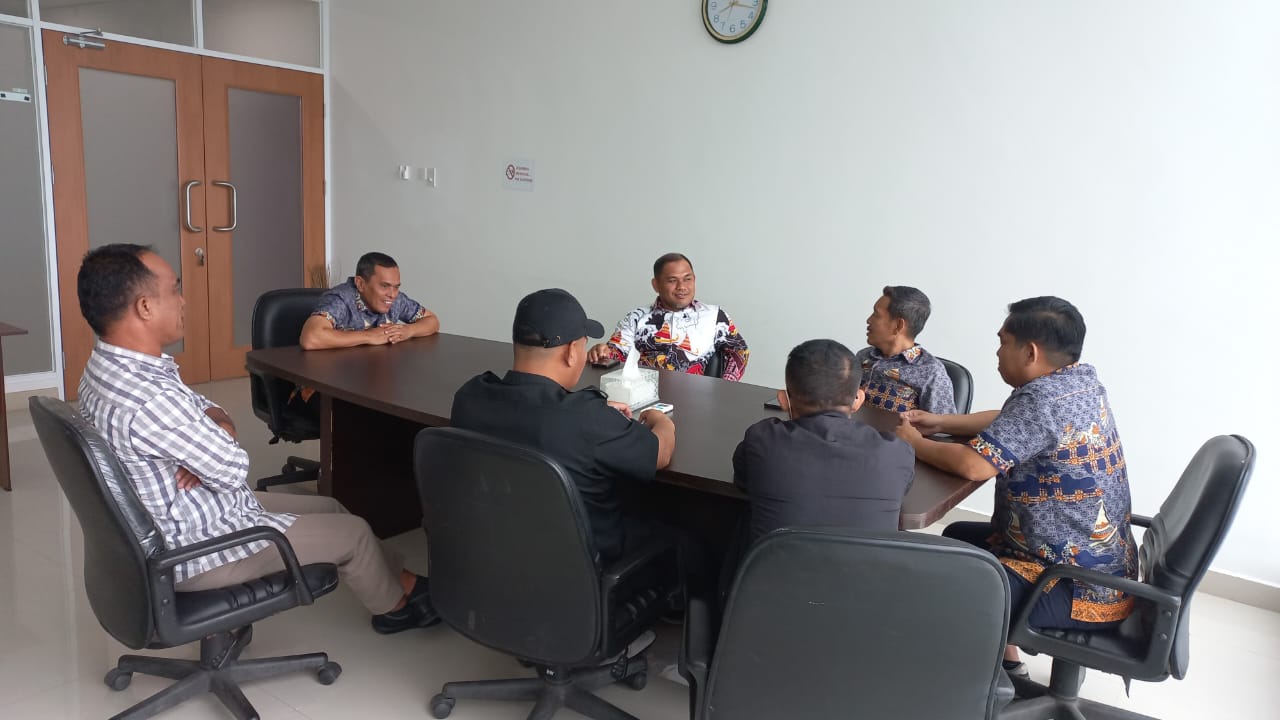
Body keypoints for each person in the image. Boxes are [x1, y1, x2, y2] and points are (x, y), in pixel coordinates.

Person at [75, 244, 438, 635]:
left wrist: (213, 432)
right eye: (175, 289)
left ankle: (400, 580)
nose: (182, 300)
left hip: (192, 512)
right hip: (202, 547)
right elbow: (232, 469)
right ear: (145, 307)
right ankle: (397, 607)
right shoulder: (151, 400)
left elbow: (207, 409)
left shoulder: (107, 370)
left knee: (333, 506)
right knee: (355, 533)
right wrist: (214, 443)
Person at [895, 296, 1136, 677]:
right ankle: (1006, 663)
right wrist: (941, 422)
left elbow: (974, 465)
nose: (997, 351)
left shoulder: (1041, 400)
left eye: (1003, 342)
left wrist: (913, 442)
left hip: (1074, 585)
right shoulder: (1079, 383)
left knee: (946, 584)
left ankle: (961, 687)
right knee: (958, 537)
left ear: (1030, 352)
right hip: (1105, 568)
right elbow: (1014, 420)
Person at [450, 288, 676, 563]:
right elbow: (660, 453)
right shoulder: (587, 419)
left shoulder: (469, 398)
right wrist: (660, 419)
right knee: (687, 542)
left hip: (495, 552)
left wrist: (598, 415)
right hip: (582, 563)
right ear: (571, 352)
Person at [734, 339, 915, 545]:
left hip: (773, 565)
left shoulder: (762, 440)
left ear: (783, 399)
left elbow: (743, 480)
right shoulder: (896, 453)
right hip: (868, 566)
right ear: (858, 399)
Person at [587, 253, 750, 381]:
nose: (682, 287)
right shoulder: (636, 317)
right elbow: (617, 352)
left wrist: (723, 386)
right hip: (644, 393)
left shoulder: (714, 316)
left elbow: (739, 351)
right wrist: (603, 352)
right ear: (656, 285)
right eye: (672, 281)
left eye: (687, 279)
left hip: (695, 395)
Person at [300, 251, 439, 350]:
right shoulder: (340, 299)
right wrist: (368, 336)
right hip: (337, 375)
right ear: (360, 283)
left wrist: (409, 330)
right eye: (384, 286)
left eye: (396, 287)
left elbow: (432, 320)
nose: (392, 294)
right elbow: (310, 338)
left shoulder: (396, 299)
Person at [856, 285, 957, 414]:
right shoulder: (863, 356)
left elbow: (944, 424)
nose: (869, 320)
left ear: (898, 325)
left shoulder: (932, 373)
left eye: (876, 315)